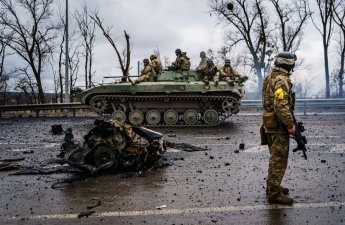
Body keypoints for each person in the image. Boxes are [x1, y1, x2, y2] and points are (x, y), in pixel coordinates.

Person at [261, 52, 297, 204]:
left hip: (270, 123)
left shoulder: (270, 77)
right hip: (278, 125)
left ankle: (273, 186)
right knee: (279, 159)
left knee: (275, 157)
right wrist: (290, 124)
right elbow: (280, 105)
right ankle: (274, 193)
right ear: (288, 64)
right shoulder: (282, 79)